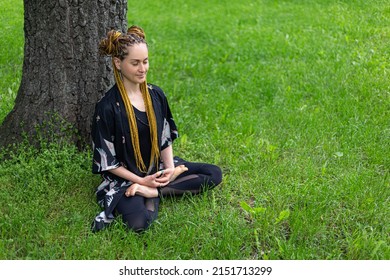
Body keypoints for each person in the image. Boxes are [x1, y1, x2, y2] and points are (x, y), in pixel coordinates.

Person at [90, 25, 222, 233]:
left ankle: (154, 192)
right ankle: (154, 189)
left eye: (145, 61)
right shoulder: (107, 107)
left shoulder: (155, 95)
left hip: (157, 166)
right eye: (135, 63)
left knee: (213, 173)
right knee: (138, 223)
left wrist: (169, 170)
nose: (142, 69)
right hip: (127, 178)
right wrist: (141, 180)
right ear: (118, 63)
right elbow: (108, 162)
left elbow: (165, 137)